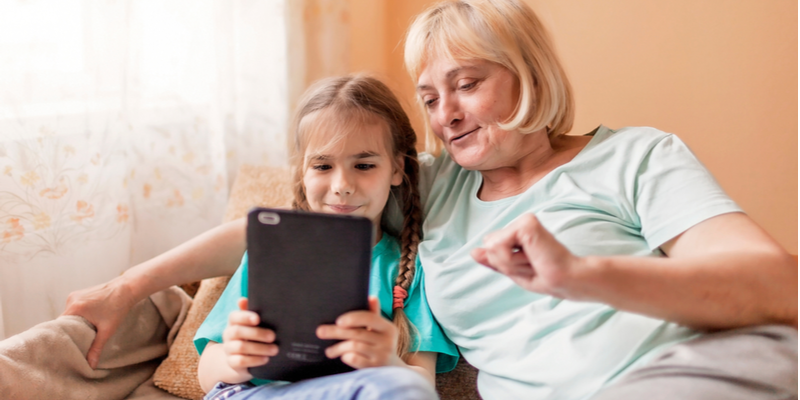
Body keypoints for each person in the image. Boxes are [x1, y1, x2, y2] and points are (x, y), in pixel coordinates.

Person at [64, 0, 797, 399]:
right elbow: (275, 228)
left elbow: (777, 286)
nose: (444, 112)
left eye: (468, 83)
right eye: (428, 95)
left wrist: (580, 276)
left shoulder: (636, 155)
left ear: (529, 72)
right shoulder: (427, 184)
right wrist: (128, 286)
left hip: (693, 370)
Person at [193, 75, 457, 400]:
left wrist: (387, 362)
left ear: (396, 169)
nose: (341, 185)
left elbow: (421, 383)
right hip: (258, 394)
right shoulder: (272, 254)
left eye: (363, 164)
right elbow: (207, 372)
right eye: (322, 165)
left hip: (351, 392)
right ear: (302, 172)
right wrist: (236, 358)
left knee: (411, 389)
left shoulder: (409, 268)